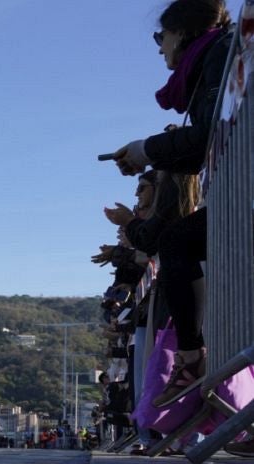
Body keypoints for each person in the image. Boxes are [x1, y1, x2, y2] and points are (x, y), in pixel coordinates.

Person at [106, 0, 234, 407]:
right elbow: (203, 149)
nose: (160, 46)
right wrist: (150, 156)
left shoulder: (220, 55)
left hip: (240, 198)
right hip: (235, 197)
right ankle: (192, 357)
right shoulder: (212, 61)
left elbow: (209, 134)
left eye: (161, 37)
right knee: (179, 239)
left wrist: (147, 151)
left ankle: (192, 358)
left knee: (177, 240)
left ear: (182, 32)